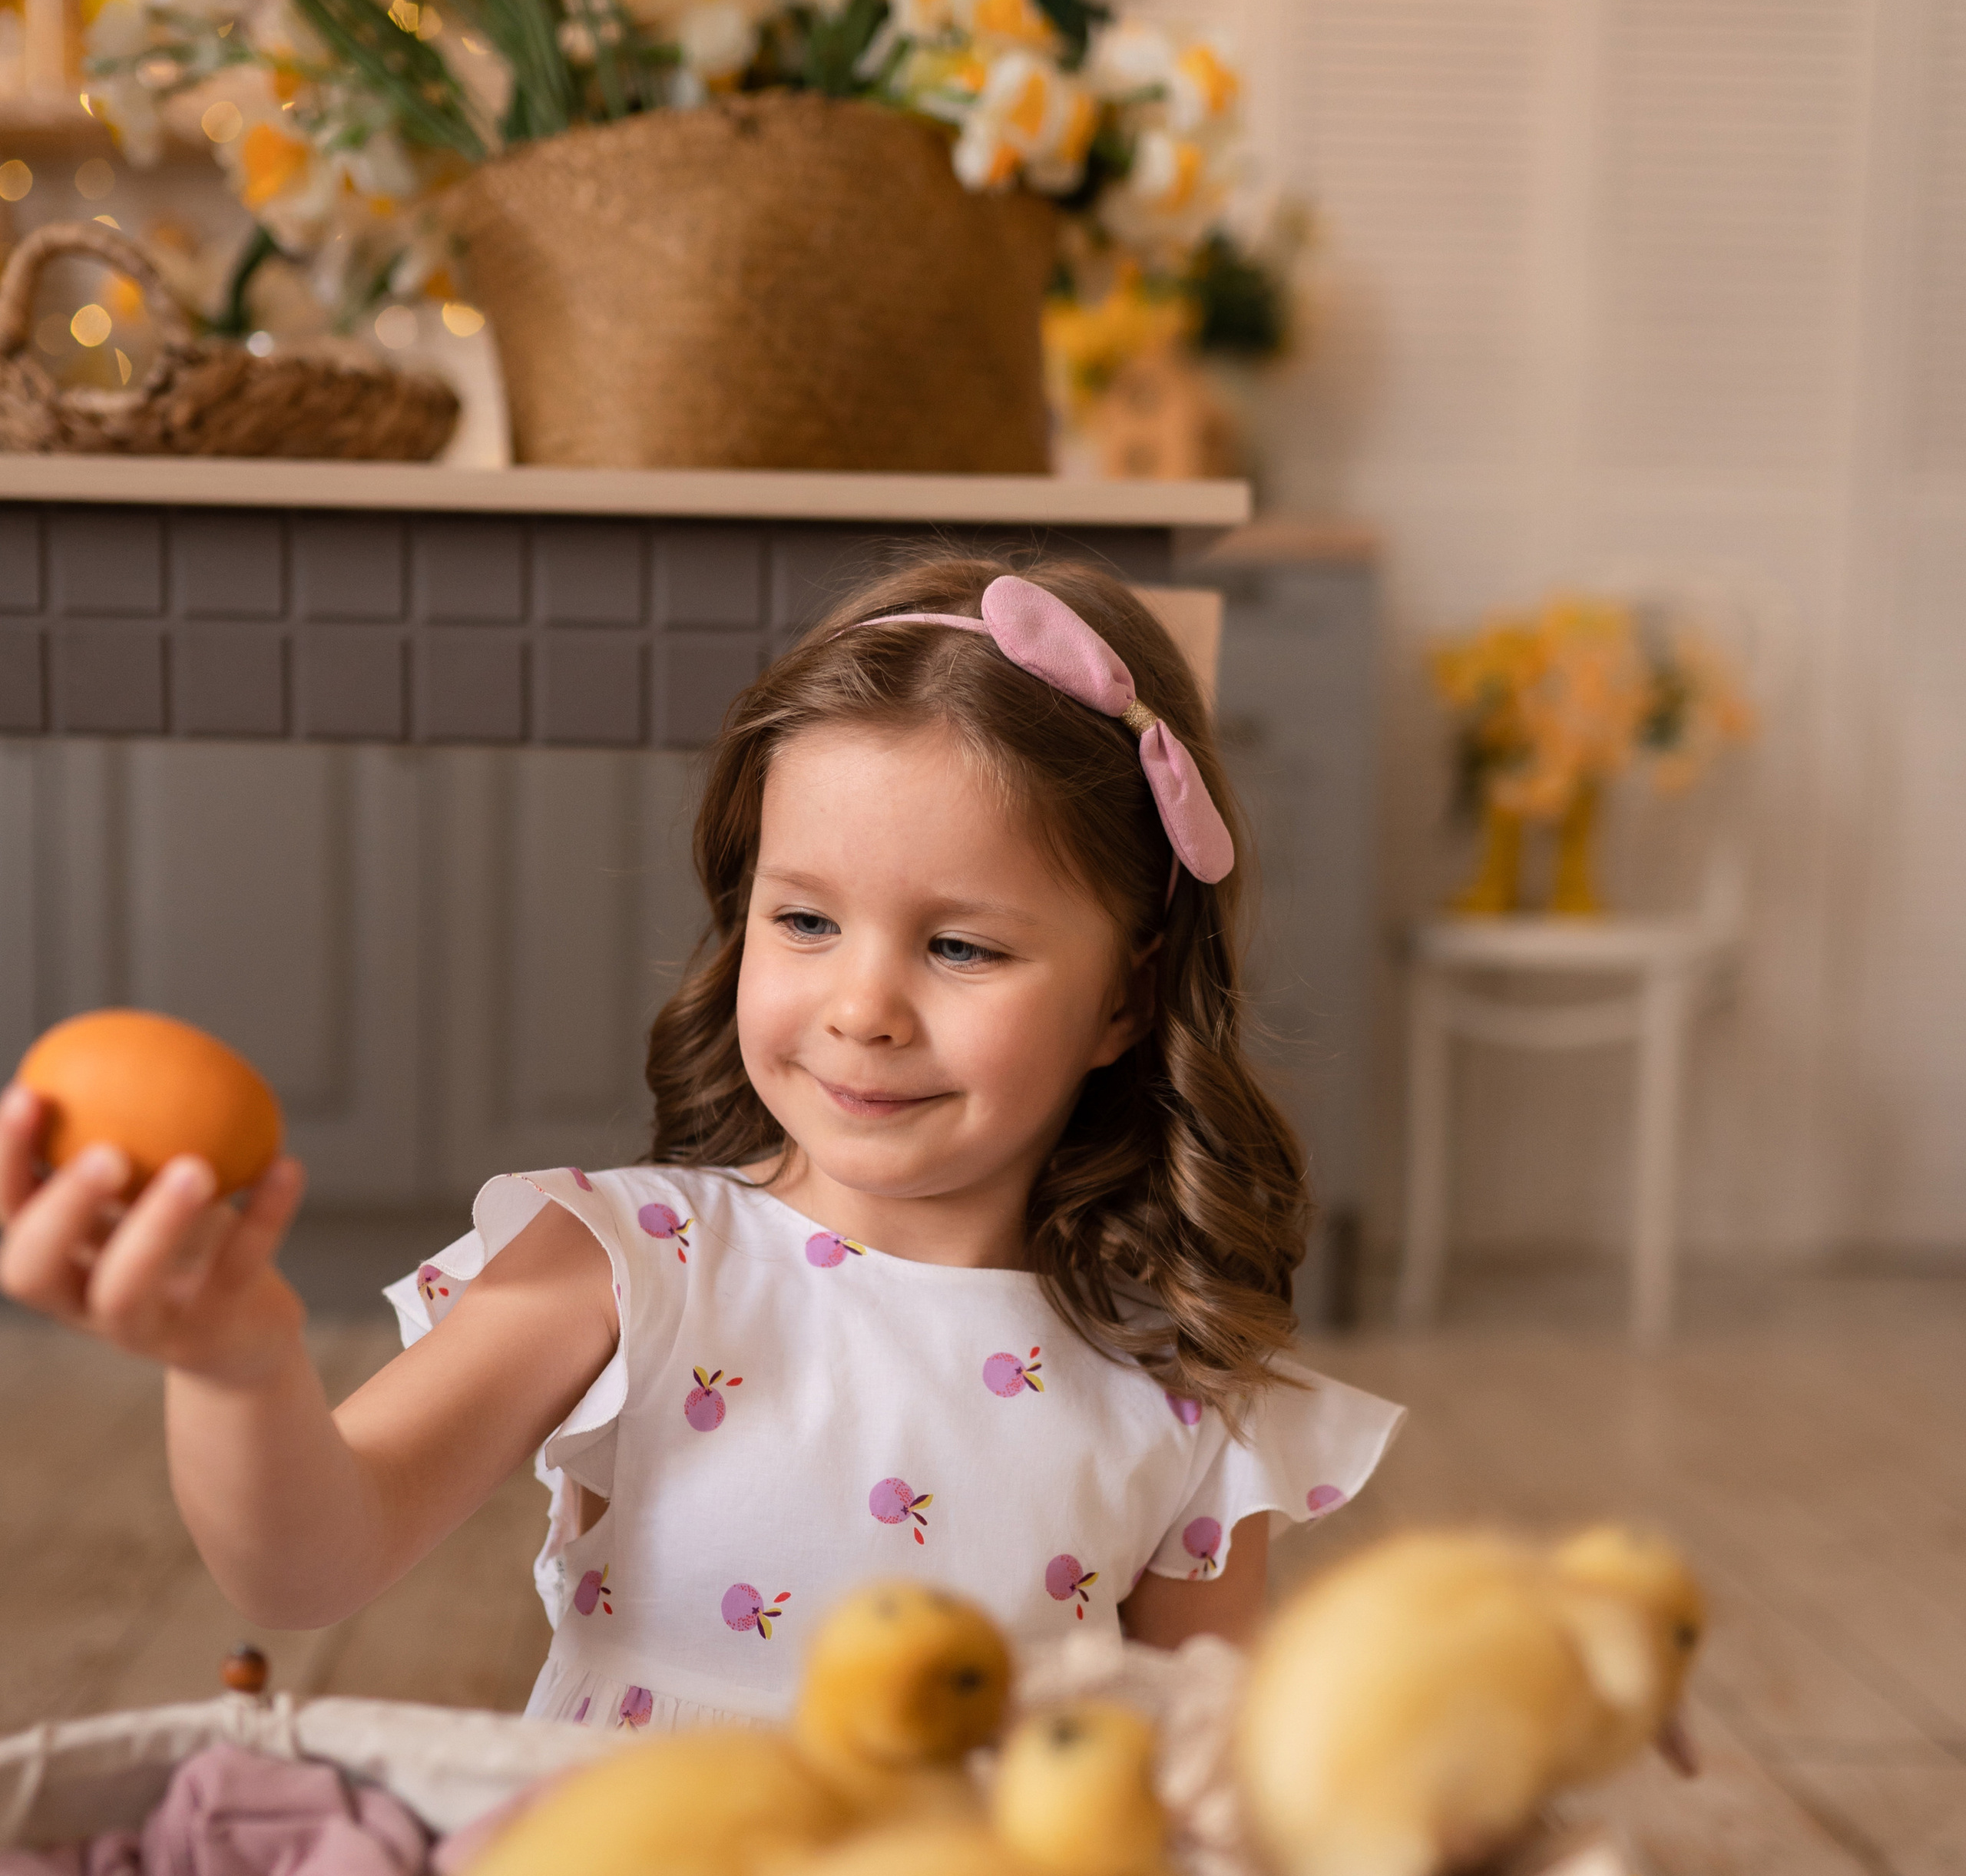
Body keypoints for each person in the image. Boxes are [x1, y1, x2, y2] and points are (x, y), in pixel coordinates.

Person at [0, 555, 1401, 1735]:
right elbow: (309, 1564)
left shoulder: (1180, 1387)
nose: (861, 1009)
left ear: (1126, 999)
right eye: (803, 921)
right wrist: (236, 1363)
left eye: (960, 945)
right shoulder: (630, 1262)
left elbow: (1206, 1780)